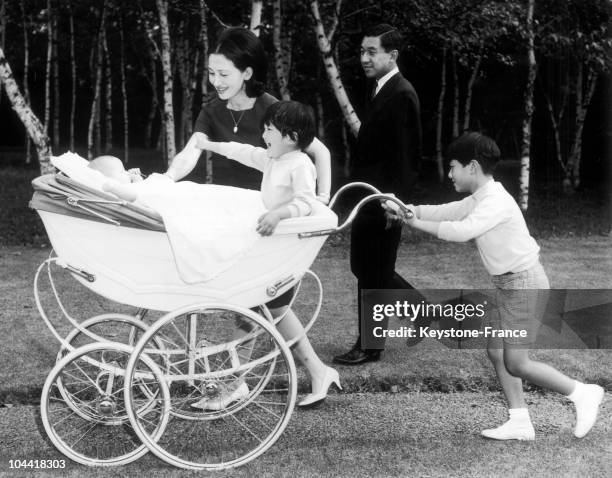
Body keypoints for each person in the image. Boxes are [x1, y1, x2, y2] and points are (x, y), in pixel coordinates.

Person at [386, 132, 605, 440]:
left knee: (516, 362)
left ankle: (583, 393)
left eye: (453, 167)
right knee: (497, 352)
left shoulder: (496, 201)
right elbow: (450, 211)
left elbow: (463, 231)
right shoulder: (481, 197)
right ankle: (519, 421)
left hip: (524, 284)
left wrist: (413, 222)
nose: (449, 174)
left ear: (472, 166)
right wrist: (413, 210)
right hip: (510, 284)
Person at [165, 27, 338, 409]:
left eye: (223, 74)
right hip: (235, 215)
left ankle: (241, 380)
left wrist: (318, 205)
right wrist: (165, 180)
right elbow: (193, 151)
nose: (215, 81)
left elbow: (319, 153)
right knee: (265, 302)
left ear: (246, 72)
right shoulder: (211, 111)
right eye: (211, 73)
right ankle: (312, 370)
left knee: (260, 300)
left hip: (270, 219)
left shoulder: (274, 110)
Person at [333, 24, 422, 366]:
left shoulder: (402, 93)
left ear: (392, 55)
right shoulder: (382, 89)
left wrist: (394, 201)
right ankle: (423, 312)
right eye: (361, 51)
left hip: (383, 202)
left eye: (372, 51)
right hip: (368, 199)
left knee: (374, 272)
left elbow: (407, 155)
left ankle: (370, 346)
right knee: (366, 267)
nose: (364, 58)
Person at [195, 100, 318, 236]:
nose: (264, 135)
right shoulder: (271, 159)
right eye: (264, 129)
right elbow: (241, 151)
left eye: (269, 130)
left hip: (290, 231)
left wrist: (277, 215)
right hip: (273, 225)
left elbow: (306, 203)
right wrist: (208, 145)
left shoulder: (300, 165)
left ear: (291, 137)